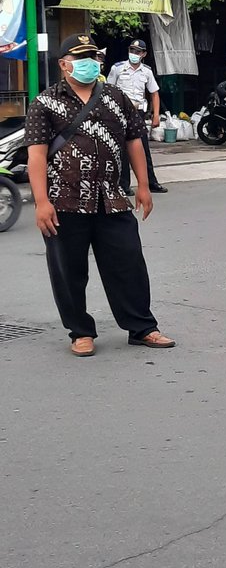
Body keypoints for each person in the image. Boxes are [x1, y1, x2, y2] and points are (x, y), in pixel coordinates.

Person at [24, 32, 175, 357]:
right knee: (69, 270)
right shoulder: (45, 103)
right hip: (64, 201)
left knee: (129, 262)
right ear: (64, 65)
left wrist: (144, 185)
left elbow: (134, 140)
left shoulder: (116, 97)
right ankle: (80, 331)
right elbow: (35, 155)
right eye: (81, 59)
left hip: (113, 197)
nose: (89, 64)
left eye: (93, 57)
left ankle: (142, 328)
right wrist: (41, 202)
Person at [107, 39, 167, 194]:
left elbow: (154, 93)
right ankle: (124, 185)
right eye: (132, 50)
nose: (134, 54)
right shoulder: (118, 68)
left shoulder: (146, 71)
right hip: (120, 112)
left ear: (144, 54)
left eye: (137, 52)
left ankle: (151, 182)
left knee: (143, 149)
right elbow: (108, 90)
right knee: (123, 150)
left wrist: (156, 115)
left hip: (138, 113)